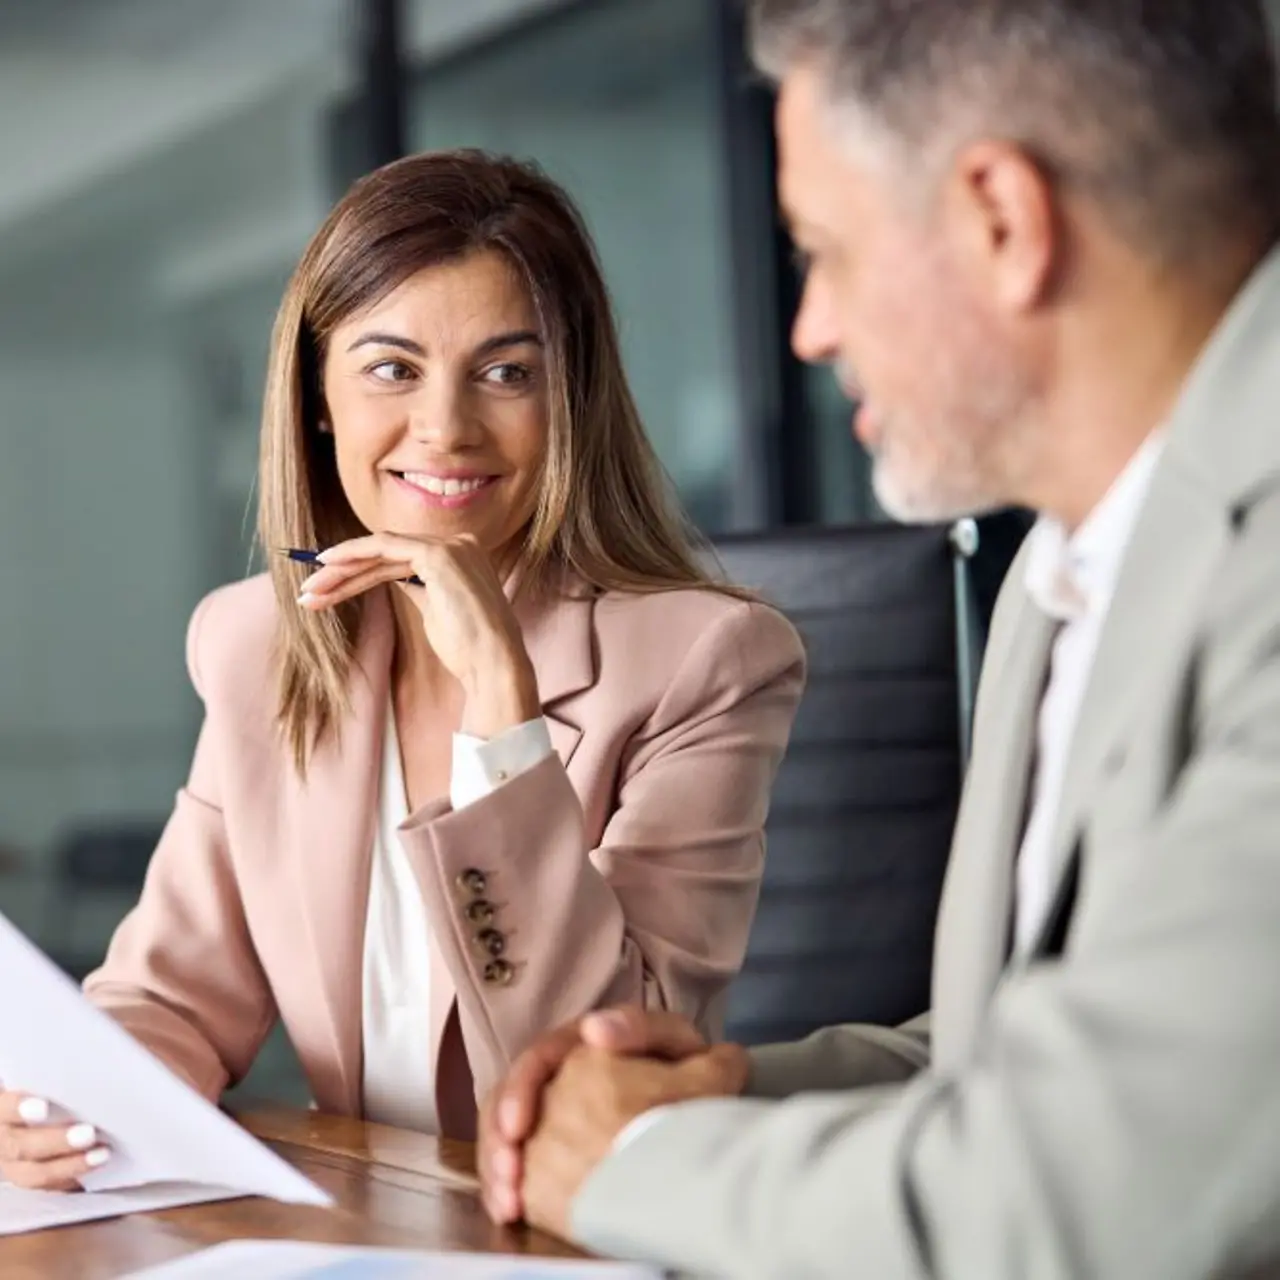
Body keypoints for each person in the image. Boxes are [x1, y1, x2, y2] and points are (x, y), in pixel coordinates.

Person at [478, 1, 1280, 1275]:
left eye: (826, 252)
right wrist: (727, 1093)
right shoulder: (1063, 572)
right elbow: (1008, 1052)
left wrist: (636, 1164)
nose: (811, 329)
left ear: (1000, 223)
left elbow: (1090, 1188)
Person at [0, 150, 805, 1191]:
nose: (446, 427)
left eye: (506, 372)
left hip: (581, 1230)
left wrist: (505, 717)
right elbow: (173, 993)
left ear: (570, 401)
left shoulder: (706, 661)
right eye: (392, 367)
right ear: (317, 396)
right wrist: (69, 1098)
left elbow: (604, 1071)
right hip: (359, 1222)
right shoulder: (260, 645)